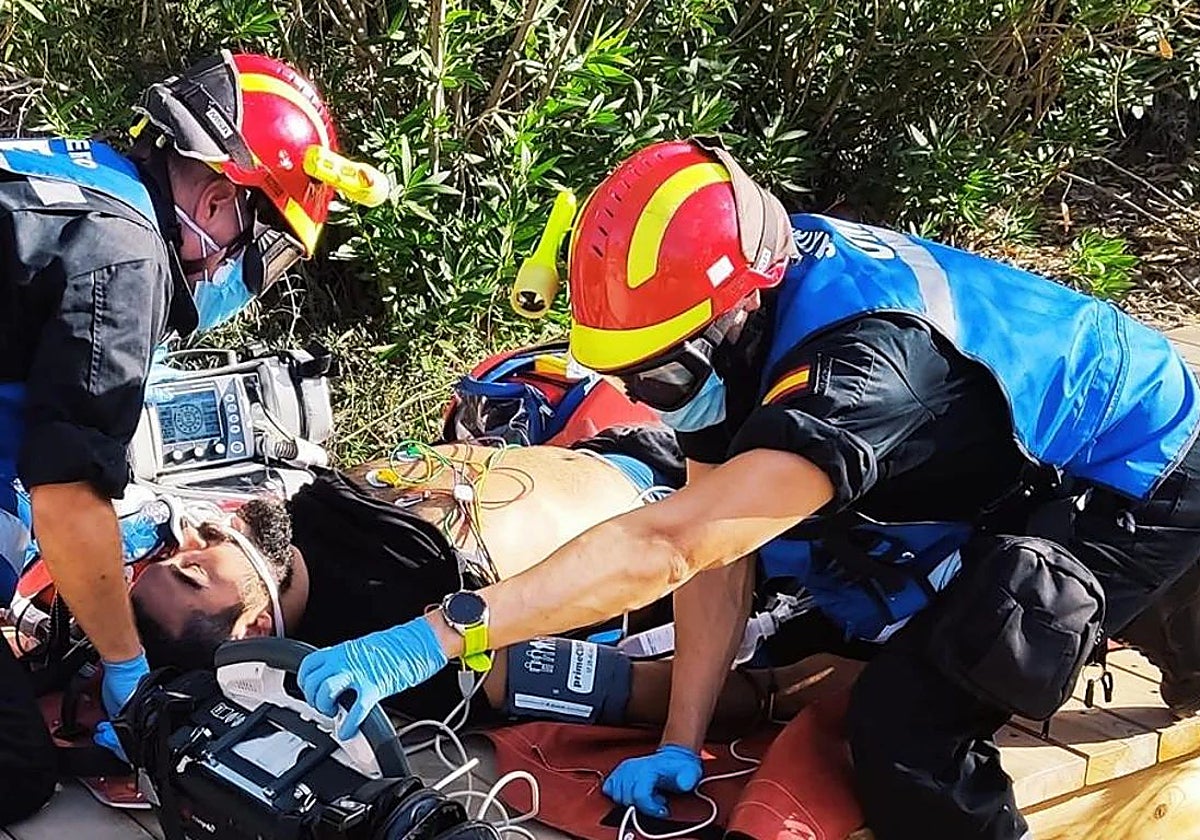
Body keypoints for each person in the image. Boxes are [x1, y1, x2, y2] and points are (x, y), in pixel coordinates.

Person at [295, 137, 1200, 839]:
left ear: (730, 316)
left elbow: (669, 544)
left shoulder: (865, 366)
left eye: (660, 376)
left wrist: (437, 634)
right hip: (1014, 448)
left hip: (1141, 465)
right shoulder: (738, 320)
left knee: (908, 724)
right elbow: (715, 557)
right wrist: (681, 741)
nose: (647, 398)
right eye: (633, 377)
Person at [0, 50, 384, 823]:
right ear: (216, 200)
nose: (234, 270)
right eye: (256, 241)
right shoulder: (127, 259)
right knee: (13, 765)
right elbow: (70, 501)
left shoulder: (76, 180)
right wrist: (125, 665)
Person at [126, 429, 857, 732]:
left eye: (174, 549)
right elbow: (612, 686)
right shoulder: (398, 659)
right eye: (193, 570)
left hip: (639, 449)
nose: (198, 535)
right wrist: (731, 714)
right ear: (254, 630)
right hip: (726, 536)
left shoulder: (287, 517)